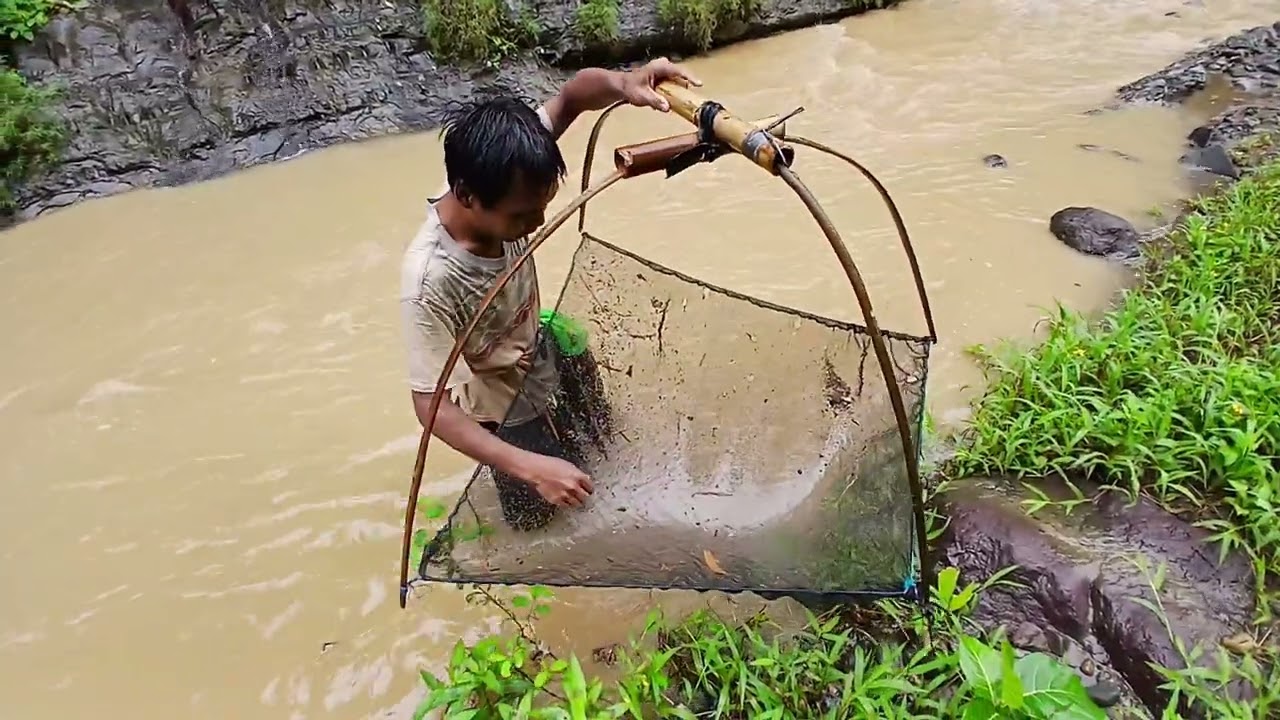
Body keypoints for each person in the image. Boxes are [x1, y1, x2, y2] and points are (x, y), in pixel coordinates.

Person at [400, 58, 702, 531]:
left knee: (605, 450)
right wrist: (529, 466)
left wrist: (625, 83)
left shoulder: (513, 160)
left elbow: (572, 97)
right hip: (505, 405)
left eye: (541, 208)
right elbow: (431, 408)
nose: (536, 225)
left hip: (547, 348)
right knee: (541, 524)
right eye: (521, 217)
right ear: (466, 195)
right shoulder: (431, 279)